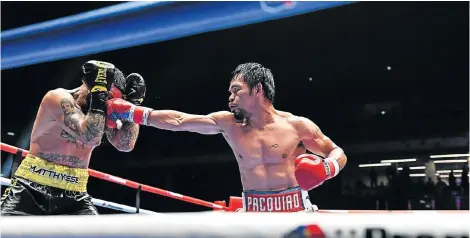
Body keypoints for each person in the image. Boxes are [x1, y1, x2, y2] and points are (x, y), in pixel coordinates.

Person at [106, 62, 347, 212]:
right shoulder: (229, 124)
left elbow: (337, 152)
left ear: (258, 90)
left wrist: (327, 168)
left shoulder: (297, 125)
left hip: (295, 211)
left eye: (236, 90)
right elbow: (179, 121)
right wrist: (130, 111)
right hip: (253, 213)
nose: (230, 97)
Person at [1, 60, 146, 215]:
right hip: (30, 188)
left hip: (75, 195)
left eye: (111, 99)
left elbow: (124, 145)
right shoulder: (57, 97)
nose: (106, 102)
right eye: (106, 95)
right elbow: (89, 136)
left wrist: (132, 108)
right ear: (92, 85)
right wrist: (98, 96)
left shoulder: (103, 110)